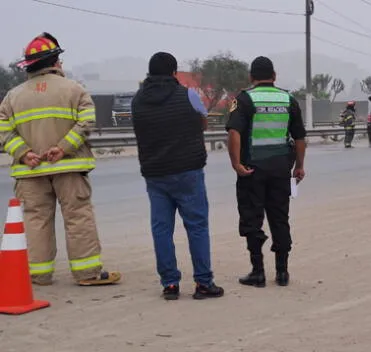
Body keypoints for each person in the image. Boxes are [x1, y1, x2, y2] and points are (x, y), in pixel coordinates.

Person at [0, 32, 121, 287]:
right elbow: (87, 121)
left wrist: (23, 153)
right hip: (69, 168)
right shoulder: (75, 89)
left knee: (35, 220)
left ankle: (38, 274)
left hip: (30, 171)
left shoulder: (12, 97)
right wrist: (63, 148)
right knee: (78, 217)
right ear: (56, 61)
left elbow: (4, 129)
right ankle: (87, 273)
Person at [131, 52, 224, 300]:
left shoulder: (138, 100)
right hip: (187, 171)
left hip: (155, 173)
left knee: (161, 229)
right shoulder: (188, 95)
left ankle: (170, 283)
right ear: (174, 73)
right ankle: (203, 283)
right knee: (197, 227)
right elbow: (202, 122)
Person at [226, 56, 307, 288]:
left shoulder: (244, 99)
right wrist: (299, 166)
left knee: (252, 219)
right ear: (274, 76)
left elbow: (234, 132)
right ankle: (282, 273)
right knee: (280, 218)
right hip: (281, 170)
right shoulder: (288, 99)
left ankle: (258, 272)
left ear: (251, 77)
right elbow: (300, 136)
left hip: (252, 170)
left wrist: (236, 164)